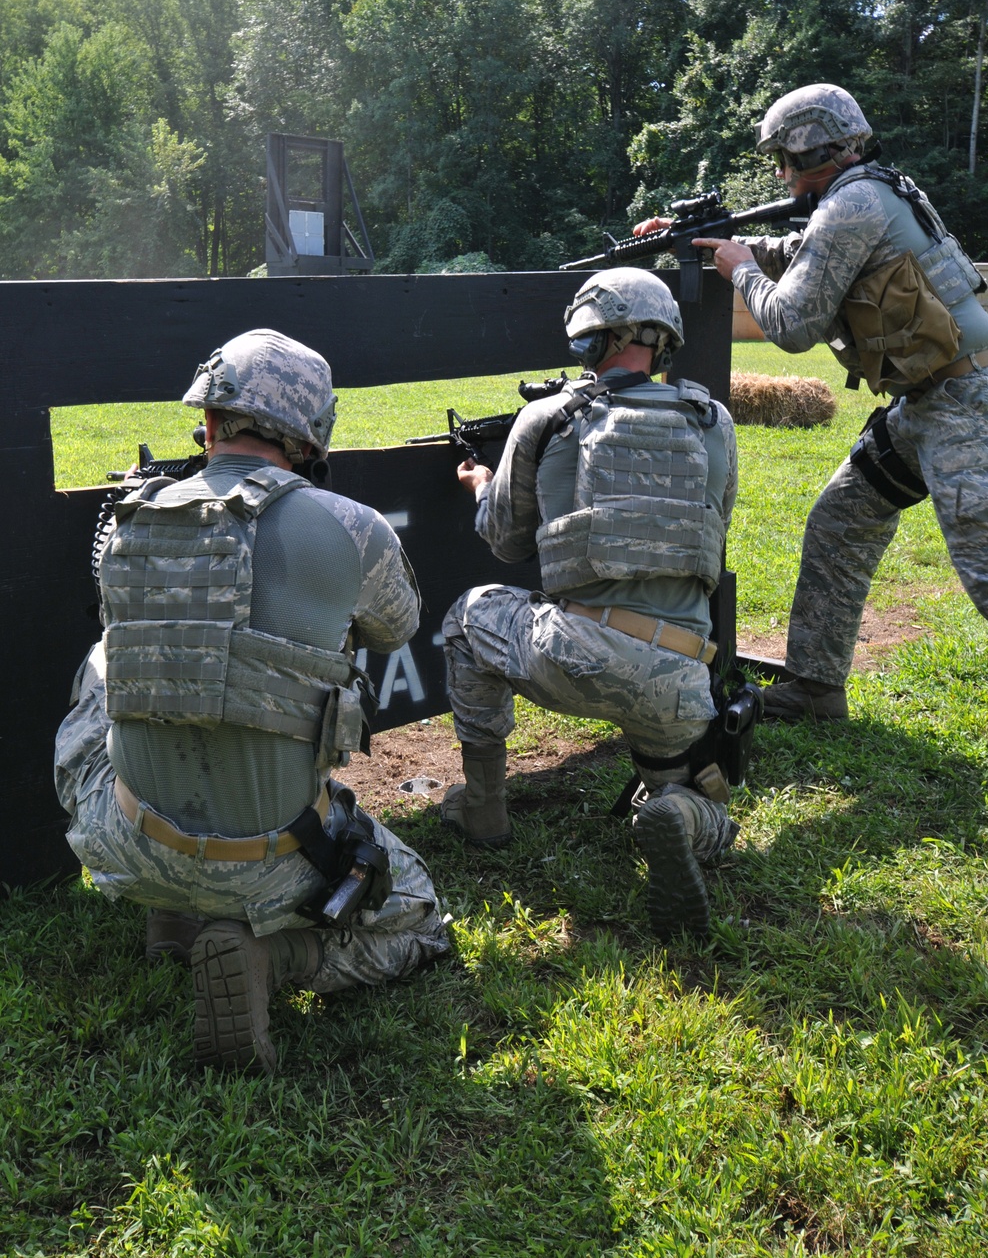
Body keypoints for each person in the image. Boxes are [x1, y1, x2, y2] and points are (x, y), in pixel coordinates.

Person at [55, 328, 449, 1074]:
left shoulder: (129, 524)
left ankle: (170, 913)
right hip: (276, 862)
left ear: (207, 424)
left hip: (128, 840)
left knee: (104, 664)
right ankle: (270, 957)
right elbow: (397, 625)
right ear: (309, 440)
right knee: (421, 914)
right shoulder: (352, 527)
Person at [636, 82, 988, 720]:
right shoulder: (872, 192)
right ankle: (815, 686)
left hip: (965, 406)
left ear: (810, 153)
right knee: (841, 523)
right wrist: (708, 239)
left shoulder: (850, 205)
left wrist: (741, 270)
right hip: (929, 401)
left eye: (784, 159)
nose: (781, 173)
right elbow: (807, 254)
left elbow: (794, 325)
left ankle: (814, 685)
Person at [441, 271, 740, 940]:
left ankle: (484, 810)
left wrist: (483, 484)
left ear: (590, 340)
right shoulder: (712, 420)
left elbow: (505, 540)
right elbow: (713, 526)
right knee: (689, 793)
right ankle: (679, 816)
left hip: (578, 656)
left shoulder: (548, 417)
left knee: (466, 618)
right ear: (662, 342)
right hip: (683, 675)